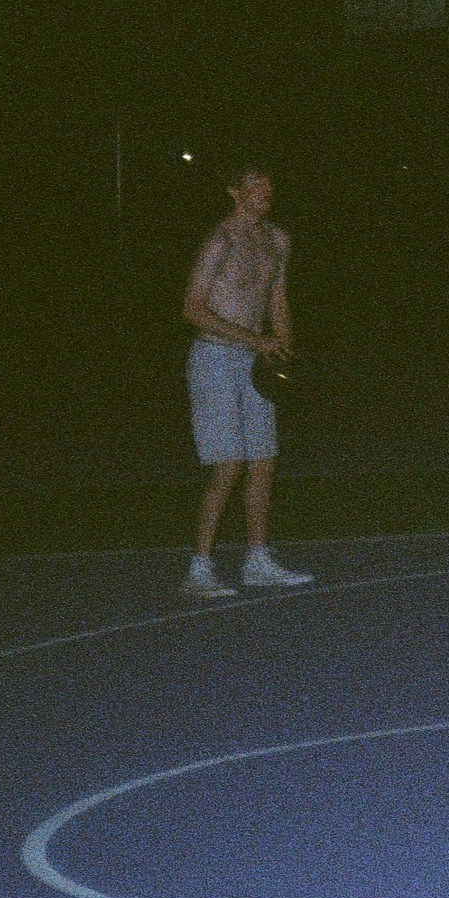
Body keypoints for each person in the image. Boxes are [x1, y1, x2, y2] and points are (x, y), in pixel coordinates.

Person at [180, 162, 313, 597]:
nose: (266, 189)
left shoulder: (278, 239)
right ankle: (199, 568)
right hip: (215, 357)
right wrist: (256, 341)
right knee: (228, 465)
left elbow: (277, 299)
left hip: (257, 361)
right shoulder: (220, 239)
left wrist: (284, 349)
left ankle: (257, 560)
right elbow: (192, 308)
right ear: (235, 191)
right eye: (256, 183)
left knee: (262, 461)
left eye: (269, 181)